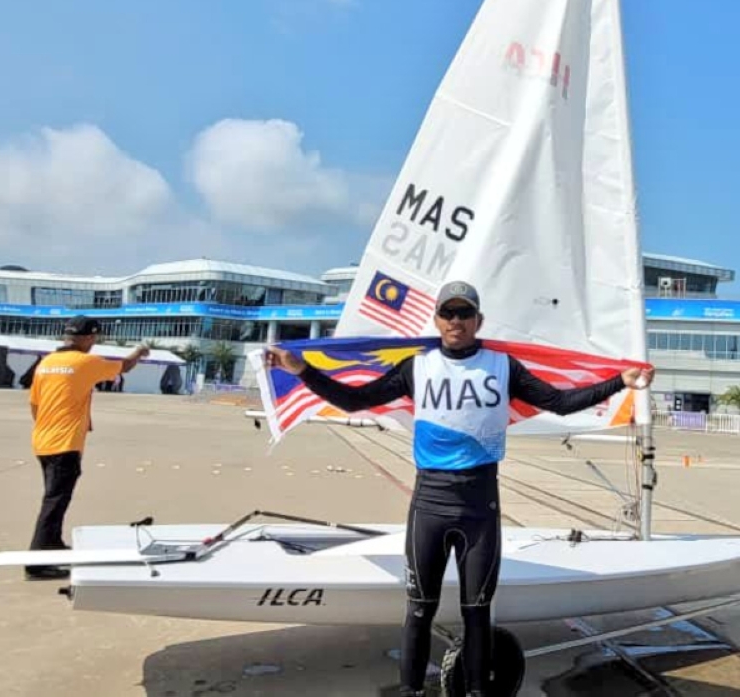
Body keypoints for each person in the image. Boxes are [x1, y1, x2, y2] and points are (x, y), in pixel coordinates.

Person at [266, 281, 654, 697]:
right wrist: (301, 370)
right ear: (436, 320)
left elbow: (560, 402)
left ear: (478, 320)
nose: (456, 321)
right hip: (429, 505)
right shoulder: (418, 366)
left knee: (477, 612)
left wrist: (620, 382)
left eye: (464, 313)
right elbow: (355, 400)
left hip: (480, 508)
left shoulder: (503, 367)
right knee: (418, 610)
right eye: (448, 313)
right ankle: (410, 692)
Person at [24, 316, 150, 581]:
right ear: (86, 338)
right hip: (65, 443)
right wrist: (139, 352)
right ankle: (36, 563)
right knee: (55, 501)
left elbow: (34, 404)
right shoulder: (85, 362)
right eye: (93, 339)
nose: (93, 343)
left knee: (54, 497)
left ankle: (53, 544)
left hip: (43, 440)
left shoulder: (46, 363)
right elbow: (124, 367)